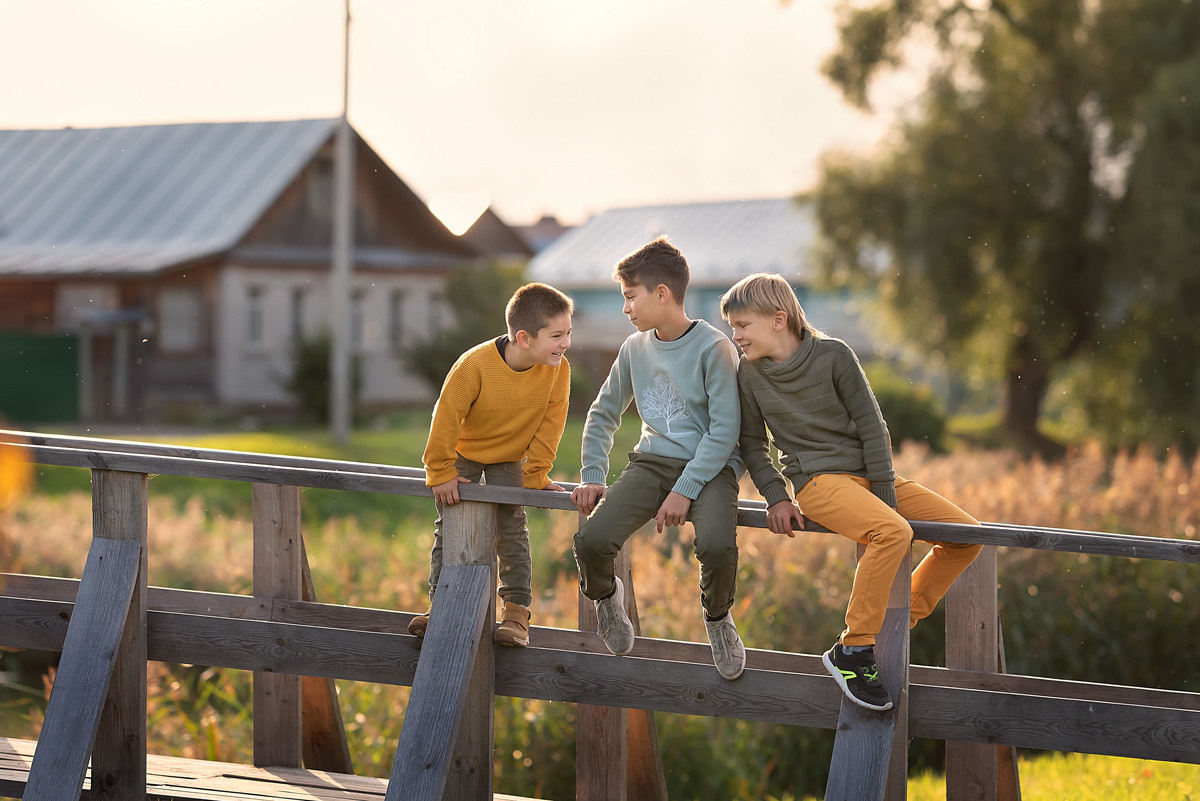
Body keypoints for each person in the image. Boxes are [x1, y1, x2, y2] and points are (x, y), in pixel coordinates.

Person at [720, 272, 982, 711]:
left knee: (967, 536)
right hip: (818, 483)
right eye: (733, 327)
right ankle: (854, 650)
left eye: (743, 325)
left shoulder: (833, 355)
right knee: (893, 533)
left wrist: (884, 491)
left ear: (778, 319)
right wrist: (776, 496)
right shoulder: (748, 375)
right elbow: (751, 444)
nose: (736, 335)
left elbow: (872, 428)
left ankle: (892, 624)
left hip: (871, 477)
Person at [571, 237, 747, 681]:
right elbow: (603, 412)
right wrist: (593, 473)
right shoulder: (634, 349)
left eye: (631, 297)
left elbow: (725, 431)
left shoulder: (714, 348)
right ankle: (607, 601)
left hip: (712, 467)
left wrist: (683, 490)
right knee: (591, 541)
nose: (626, 309)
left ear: (662, 293)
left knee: (717, 547)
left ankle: (718, 619)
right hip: (652, 463)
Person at [410, 282, 574, 648]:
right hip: (463, 453)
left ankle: (516, 613)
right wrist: (440, 472)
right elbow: (446, 416)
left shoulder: (557, 370)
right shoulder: (474, 366)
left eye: (568, 333)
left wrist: (536, 476)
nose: (566, 343)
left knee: (511, 526)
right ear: (524, 338)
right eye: (557, 335)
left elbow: (552, 425)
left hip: (509, 455)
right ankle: (440, 607)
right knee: (451, 523)